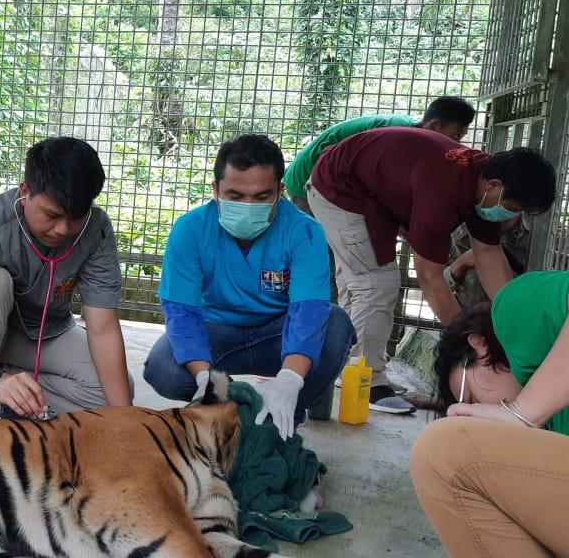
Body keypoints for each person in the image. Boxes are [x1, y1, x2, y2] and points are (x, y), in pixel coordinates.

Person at [308, 128, 556, 414]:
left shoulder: (483, 185)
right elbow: (429, 277)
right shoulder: (443, 190)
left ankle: (348, 367)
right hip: (339, 189)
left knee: (362, 285)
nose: (511, 216)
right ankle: (367, 381)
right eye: (512, 208)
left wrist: (513, 318)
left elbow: (488, 254)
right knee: (376, 284)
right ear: (495, 185)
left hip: (370, 191)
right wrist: (469, 336)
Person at [143, 134, 356, 440]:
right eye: (235, 195)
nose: (247, 206)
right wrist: (205, 377)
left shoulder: (305, 232)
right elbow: (182, 312)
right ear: (215, 190)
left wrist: (290, 380)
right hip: (216, 333)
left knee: (335, 327)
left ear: (280, 192)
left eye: (261, 197)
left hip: (276, 335)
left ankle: (284, 415)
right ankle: (228, 404)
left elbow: (308, 311)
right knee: (163, 367)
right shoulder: (190, 230)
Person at [0, 137, 132, 419]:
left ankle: (14, 391)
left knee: (115, 392)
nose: (62, 229)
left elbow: (102, 329)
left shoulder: (96, 230)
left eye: (76, 218)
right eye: (52, 215)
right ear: (25, 191)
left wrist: (128, 422)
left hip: (47, 334)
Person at [411, 271, 569, 557]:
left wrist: (523, 412)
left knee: (444, 450)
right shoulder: (553, 421)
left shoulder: (512, 309)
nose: (471, 414)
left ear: (478, 344)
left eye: (467, 397)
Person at [283, 96, 477, 214]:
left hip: (324, 180)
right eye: (456, 135)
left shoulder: (411, 134)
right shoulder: (401, 136)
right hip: (306, 180)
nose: (456, 144)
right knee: (327, 253)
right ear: (434, 125)